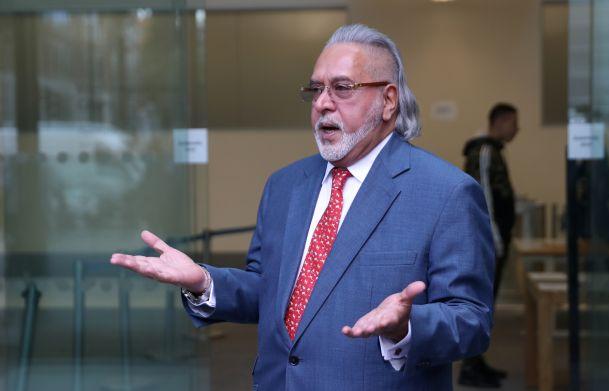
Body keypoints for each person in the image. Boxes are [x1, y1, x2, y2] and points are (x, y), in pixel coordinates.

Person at [111, 24, 494, 390]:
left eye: (342, 88)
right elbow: (270, 291)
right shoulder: (285, 185)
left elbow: (472, 320)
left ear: (388, 100)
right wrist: (204, 282)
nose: (323, 103)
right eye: (316, 89)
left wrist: (408, 325)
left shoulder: (446, 192)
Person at [459, 103, 519, 387]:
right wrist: (493, 240)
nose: (517, 129)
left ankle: (477, 360)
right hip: (486, 244)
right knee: (479, 303)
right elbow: (484, 200)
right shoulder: (483, 152)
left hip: (494, 242)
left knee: (487, 304)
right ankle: (469, 367)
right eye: (513, 123)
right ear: (501, 121)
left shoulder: (493, 151)